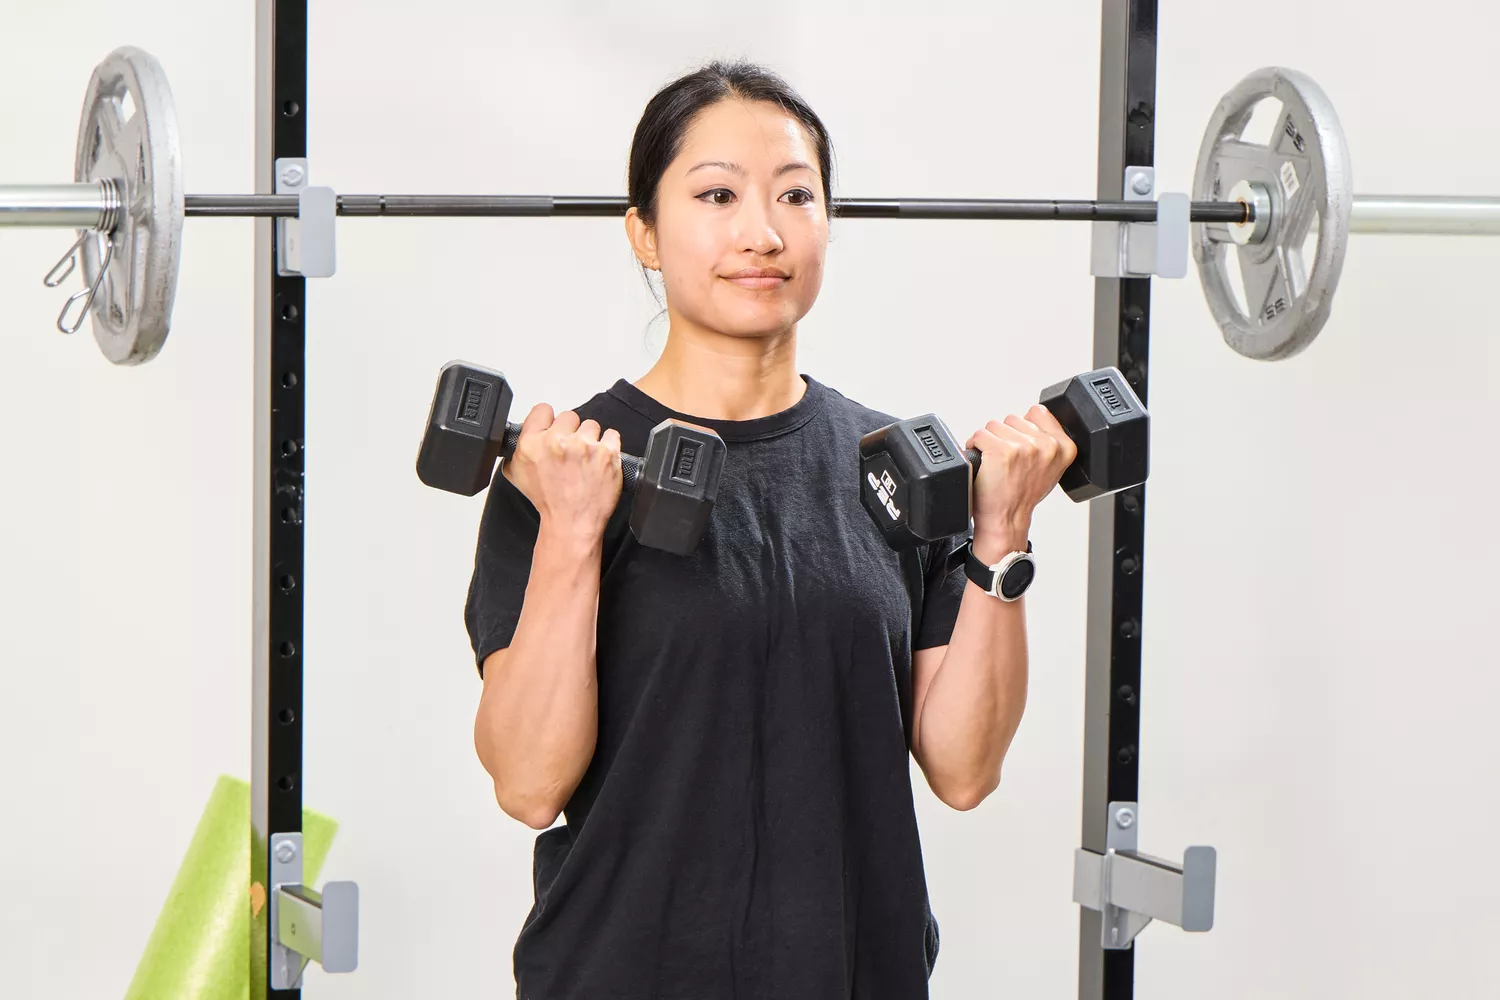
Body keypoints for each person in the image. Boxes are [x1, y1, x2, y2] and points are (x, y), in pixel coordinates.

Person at [465, 61, 1078, 1000]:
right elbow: (529, 784)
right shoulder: (563, 473)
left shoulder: (897, 470)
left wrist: (1000, 535)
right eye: (716, 195)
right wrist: (573, 535)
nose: (762, 233)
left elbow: (964, 769)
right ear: (644, 233)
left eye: (796, 195)